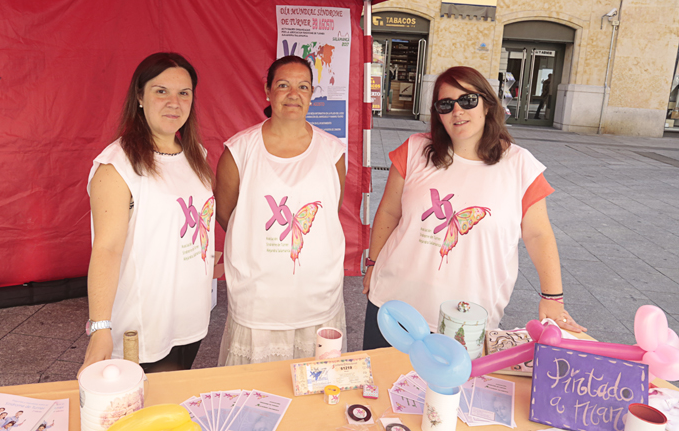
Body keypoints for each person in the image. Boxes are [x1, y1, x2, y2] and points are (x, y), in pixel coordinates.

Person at [362, 66, 585, 350]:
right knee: (382, 388)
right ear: (437, 113)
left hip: (467, 320)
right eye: (446, 104)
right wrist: (372, 263)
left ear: (488, 105)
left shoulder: (519, 165)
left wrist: (553, 298)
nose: (458, 111)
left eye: (468, 100)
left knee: (453, 393)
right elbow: (389, 213)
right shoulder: (415, 150)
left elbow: (538, 234)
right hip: (394, 305)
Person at [79, 52, 215, 376]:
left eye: (184, 93)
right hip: (145, 326)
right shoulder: (118, 166)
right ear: (139, 97)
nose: (174, 102)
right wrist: (100, 327)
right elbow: (107, 249)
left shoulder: (196, 156)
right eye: (161, 91)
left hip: (191, 317)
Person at [215, 55, 347, 366]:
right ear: (267, 91)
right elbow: (227, 214)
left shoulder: (332, 151)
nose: (293, 94)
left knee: (314, 383)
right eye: (283, 85)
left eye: (303, 86)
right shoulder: (240, 149)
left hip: (317, 293)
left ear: (312, 94)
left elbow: (330, 211)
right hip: (259, 296)